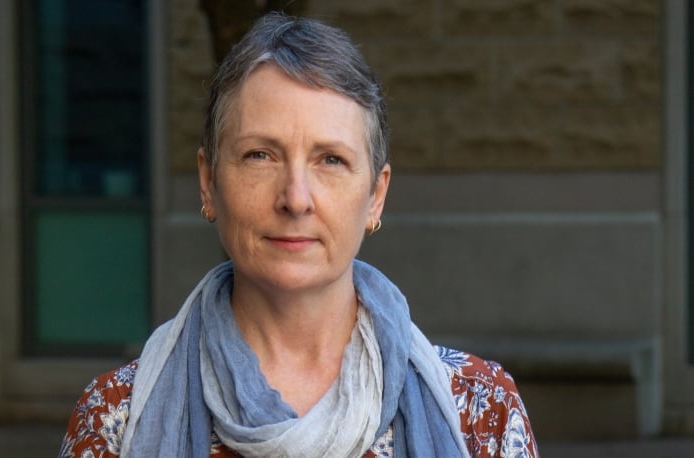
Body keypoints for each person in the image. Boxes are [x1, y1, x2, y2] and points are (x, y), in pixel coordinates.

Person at [60, 12, 538, 458]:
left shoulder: (481, 413)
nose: (296, 198)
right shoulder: (114, 421)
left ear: (375, 195)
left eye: (330, 159)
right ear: (208, 182)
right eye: (260, 156)